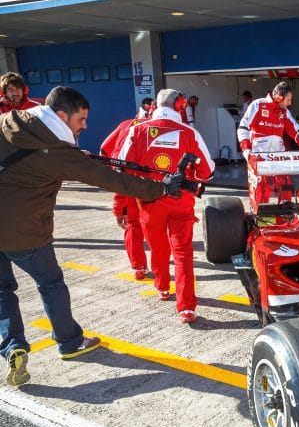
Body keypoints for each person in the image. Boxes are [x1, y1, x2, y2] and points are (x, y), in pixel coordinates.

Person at [1, 86, 183, 385]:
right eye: (81, 119)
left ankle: (13, 346)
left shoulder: (11, 121)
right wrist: (162, 188)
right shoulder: (59, 153)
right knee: (50, 284)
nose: (85, 126)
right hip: (26, 231)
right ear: (61, 116)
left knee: (1, 291)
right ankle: (69, 343)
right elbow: (113, 180)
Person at [119, 89, 214, 324]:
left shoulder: (137, 130)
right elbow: (208, 171)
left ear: (155, 106)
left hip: (150, 203)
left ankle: (162, 287)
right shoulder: (190, 132)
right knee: (183, 254)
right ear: (180, 105)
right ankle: (186, 308)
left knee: (158, 248)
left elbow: (122, 169)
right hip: (182, 203)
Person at [237, 81, 299, 207]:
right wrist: (246, 150)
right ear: (279, 97)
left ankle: (285, 214)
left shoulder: (285, 112)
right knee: (259, 189)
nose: (289, 103)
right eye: (288, 100)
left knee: (286, 185)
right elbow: (242, 128)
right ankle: (259, 218)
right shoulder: (258, 105)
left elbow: (296, 132)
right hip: (257, 157)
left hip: (278, 156)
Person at [100, 115, 153, 280]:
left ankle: (139, 267)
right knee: (159, 225)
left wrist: (117, 207)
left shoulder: (126, 124)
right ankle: (161, 265)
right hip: (155, 184)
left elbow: (104, 149)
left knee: (133, 225)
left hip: (128, 183)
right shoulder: (163, 126)